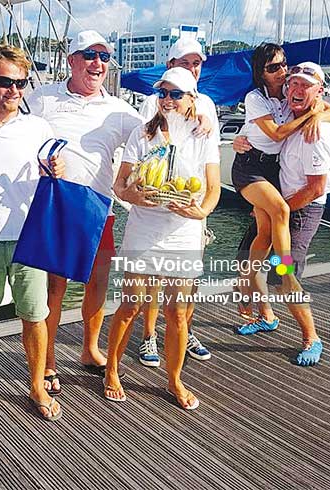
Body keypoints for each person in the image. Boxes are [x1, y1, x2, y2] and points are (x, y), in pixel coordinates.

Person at [0, 30, 142, 395]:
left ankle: (90, 349)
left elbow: (151, 137)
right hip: (52, 203)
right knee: (55, 286)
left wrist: (196, 118)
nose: (98, 64)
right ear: (71, 60)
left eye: (104, 57)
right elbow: (3, 103)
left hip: (95, 205)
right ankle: (47, 363)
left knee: (98, 280)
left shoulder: (122, 110)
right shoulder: (41, 97)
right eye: (89, 56)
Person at [106, 68, 221, 410]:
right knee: (130, 306)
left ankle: (174, 379)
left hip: (183, 231)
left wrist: (202, 213)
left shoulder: (204, 136)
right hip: (144, 228)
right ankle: (111, 369)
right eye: (163, 93)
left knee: (177, 312)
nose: (167, 100)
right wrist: (134, 197)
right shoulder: (142, 134)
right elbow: (120, 185)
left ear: (191, 99)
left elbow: (213, 188)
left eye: (176, 94)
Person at [0, 44, 63, 423]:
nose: (14, 90)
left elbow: (54, 171)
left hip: (28, 237)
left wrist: (57, 169)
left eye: (20, 83)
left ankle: (36, 384)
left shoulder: (38, 127)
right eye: (5, 82)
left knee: (35, 315)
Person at [231, 44, 330, 333]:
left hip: (295, 198)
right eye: (274, 68)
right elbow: (277, 133)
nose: (282, 72)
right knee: (267, 234)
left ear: (316, 91)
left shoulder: (299, 112)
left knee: (271, 252)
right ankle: (265, 307)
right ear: (261, 73)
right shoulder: (268, 100)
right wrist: (310, 115)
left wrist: (318, 115)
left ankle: (310, 336)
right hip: (252, 169)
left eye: (284, 66)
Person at [135, 37, 219, 367]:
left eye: (196, 62)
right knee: (153, 277)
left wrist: (203, 208)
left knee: (188, 278)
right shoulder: (152, 102)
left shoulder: (207, 104)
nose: (191, 68)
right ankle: (148, 336)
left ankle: (185, 328)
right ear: (170, 65)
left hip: (192, 206)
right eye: (185, 62)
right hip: (157, 205)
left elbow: (210, 159)